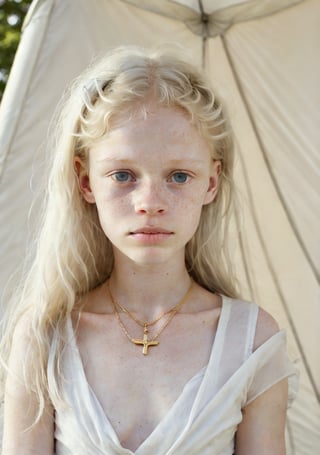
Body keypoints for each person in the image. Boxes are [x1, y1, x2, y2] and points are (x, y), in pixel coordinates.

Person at [0, 46, 298, 454]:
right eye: (123, 174)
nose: (150, 201)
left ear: (211, 183)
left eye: (179, 175)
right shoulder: (43, 340)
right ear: (86, 182)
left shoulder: (252, 340)